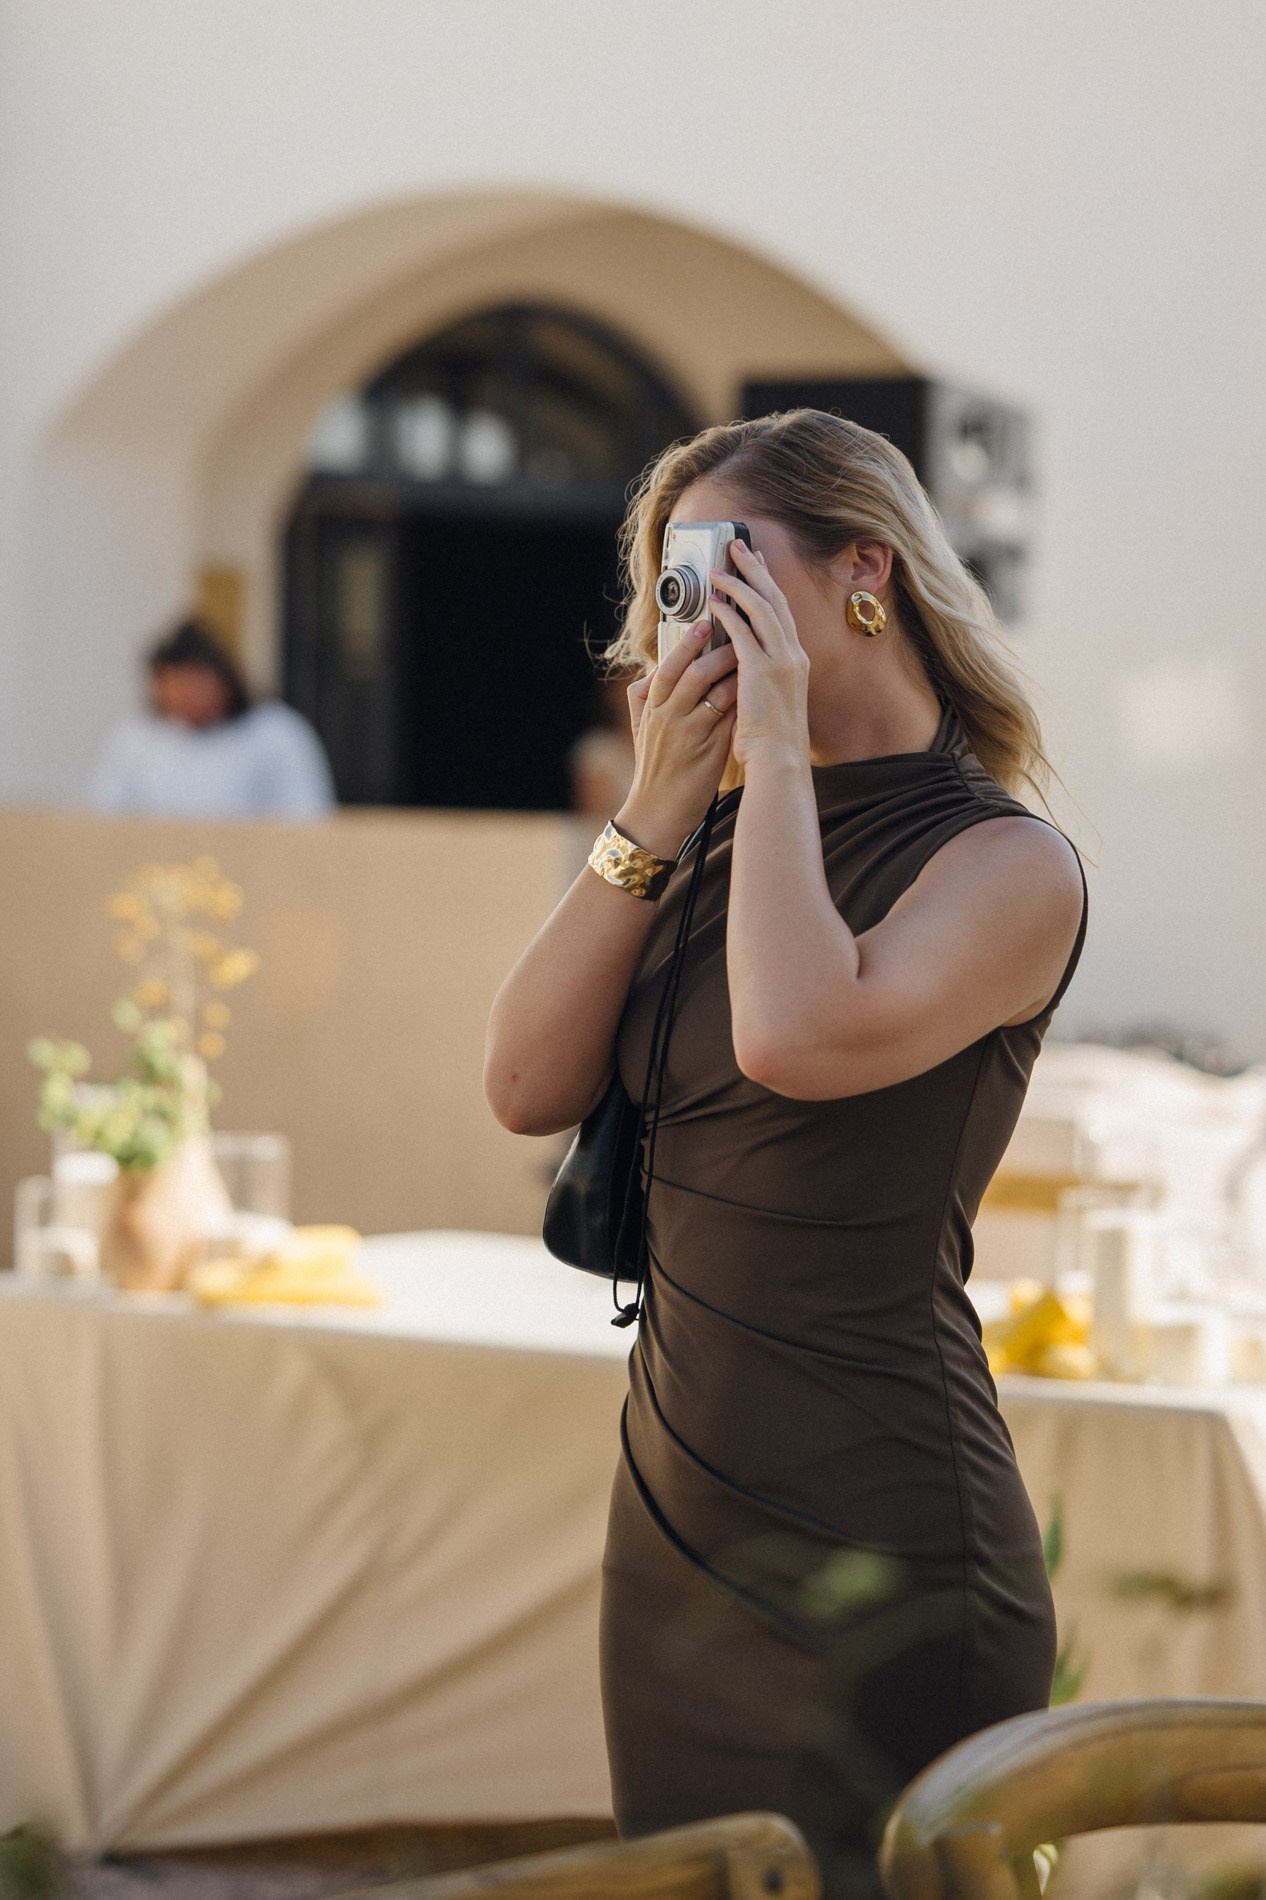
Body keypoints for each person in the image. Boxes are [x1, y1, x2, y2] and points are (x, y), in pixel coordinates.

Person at [484, 410, 1087, 1899]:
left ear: (864, 572)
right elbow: (519, 1082)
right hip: (678, 1518)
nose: (693, 613)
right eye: (672, 581)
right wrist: (655, 806)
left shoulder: (1005, 860)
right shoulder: (705, 842)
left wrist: (768, 745)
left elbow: (796, 1039)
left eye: (725, 567)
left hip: (884, 1521)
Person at [89, 620, 336, 818]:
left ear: (225, 681)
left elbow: (308, 816)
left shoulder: (276, 734)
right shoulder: (134, 738)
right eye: (175, 683)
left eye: (196, 681)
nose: (186, 694)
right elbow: (105, 815)